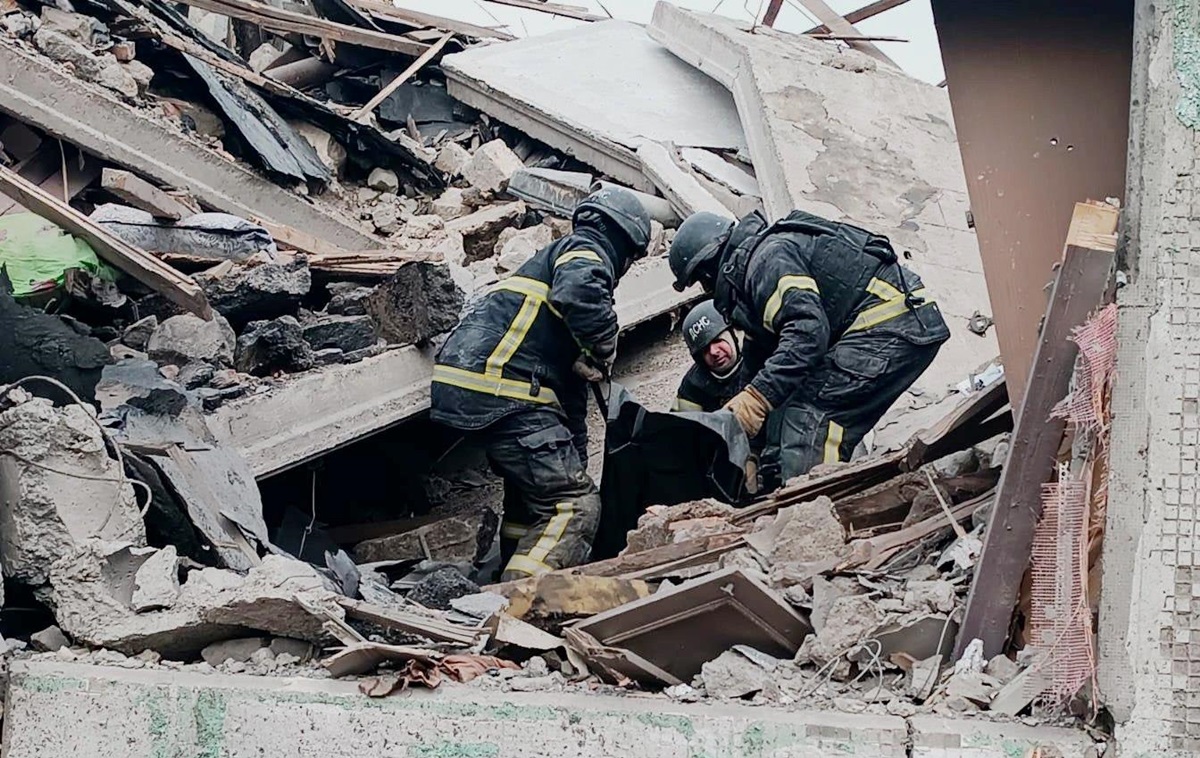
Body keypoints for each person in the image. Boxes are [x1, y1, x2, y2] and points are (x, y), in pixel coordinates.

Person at [430, 187, 652, 581]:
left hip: (474, 384)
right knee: (574, 504)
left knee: (533, 501)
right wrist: (603, 345)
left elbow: (570, 404)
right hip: (503, 387)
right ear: (623, 241)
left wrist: (575, 460)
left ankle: (504, 577)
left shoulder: (546, 271)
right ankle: (521, 601)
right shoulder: (586, 248)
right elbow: (580, 290)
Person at [667, 208, 950, 489]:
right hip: (894, 324)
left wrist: (755, 399)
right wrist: (751, 447)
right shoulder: (754, 276)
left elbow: (808, 333)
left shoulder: (765, 261)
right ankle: (787, 488)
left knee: (809, 418)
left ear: (710, 266)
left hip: (891, 323)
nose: (709, 289)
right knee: (785, 404)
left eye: (702, 281)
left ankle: (814, 505)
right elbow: (760, 360)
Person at [672, 299, 744, 413]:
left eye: (717, 340)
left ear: (734, 335)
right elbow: (682, 422)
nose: (713, 352)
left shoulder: (762, 359)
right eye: (704, 349)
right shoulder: (694, 385)